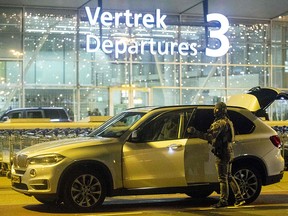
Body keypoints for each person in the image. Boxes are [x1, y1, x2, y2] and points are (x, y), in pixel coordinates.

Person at [187, 102, 245, 208]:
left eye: (216, 109)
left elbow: (210, 136)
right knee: (228, 176)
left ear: (218, 110)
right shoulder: (228, 121)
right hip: (228, 151)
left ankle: (223, 201)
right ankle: (239, 198)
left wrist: (195, 132)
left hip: (222, 152)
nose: (214, 111)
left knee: (222, 178)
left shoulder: (220, 123)